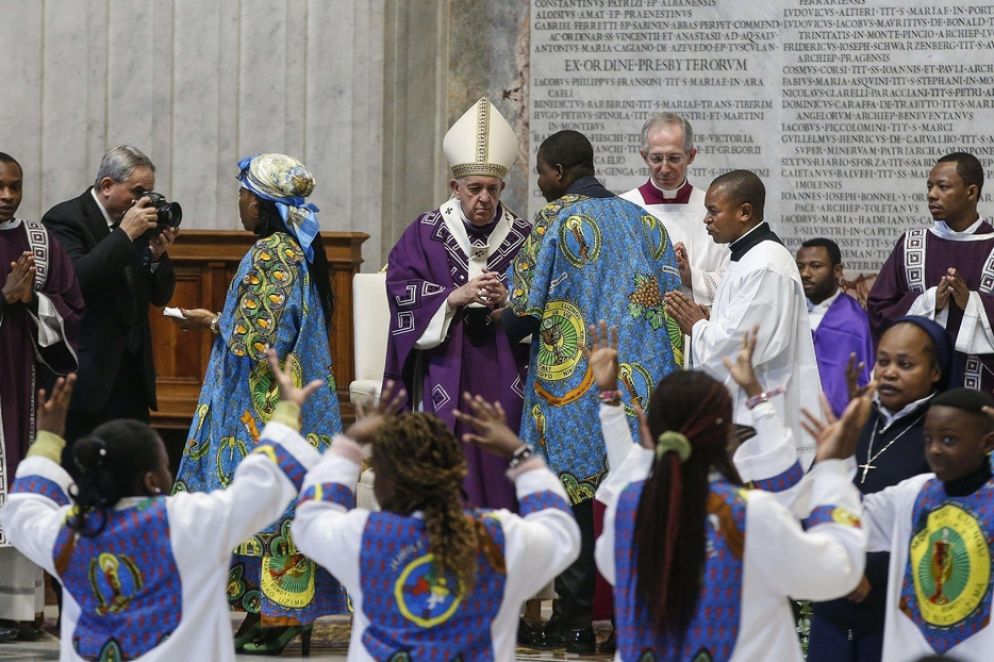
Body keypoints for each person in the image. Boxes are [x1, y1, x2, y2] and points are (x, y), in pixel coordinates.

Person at [0, 351, 324, 661]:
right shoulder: (188, 522)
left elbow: (24, 509)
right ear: (152, 479)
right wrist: (286, 414)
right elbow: (259, 490)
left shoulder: (70, 532)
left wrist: (47, 438)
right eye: (166, 466)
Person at [591, 323, 869, 661]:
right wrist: (834, 472)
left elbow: (613, 554)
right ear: (727, 436)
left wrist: (610, 401)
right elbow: (837, 572)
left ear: (651, 431)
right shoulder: (752, 514)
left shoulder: (629, 508)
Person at [504, 129, 683, 652]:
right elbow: (672, 309)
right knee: (636, 502)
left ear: (559, 171)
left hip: (575, 385)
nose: (539, 183)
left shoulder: (555, 221)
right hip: (645, 385)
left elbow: (521, 318)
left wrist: (489, 315)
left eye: (540, 172)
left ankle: (576, 623)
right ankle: (631, 623)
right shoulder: (646, 222)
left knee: (576, 501)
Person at [171, 153, 346, 653]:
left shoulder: (272, 252)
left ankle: (281, 614)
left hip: (262, 400)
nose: (241, 205)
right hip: (272, 392)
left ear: (263, 203)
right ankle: (270, 611)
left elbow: (257, 338)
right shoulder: (292, 250)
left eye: (245, 196)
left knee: (265, 493)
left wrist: (206, 321)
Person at [290, 389, 580, 661]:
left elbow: (309, 518)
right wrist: (520, 454)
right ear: (456, 475)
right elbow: (561, 531)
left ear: (385, 481)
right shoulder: (499, 537)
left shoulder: (364, 537)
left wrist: (350, 443)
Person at [384, 97, 531, 511]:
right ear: (455, 187)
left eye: (492, 188)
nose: (483, 198)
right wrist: (452, 297)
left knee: (500, 454)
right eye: (473, 189)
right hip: (444, 363)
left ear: (503, 187)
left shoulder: (525, 235)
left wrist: (512, 299)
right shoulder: (427, 231)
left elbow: (545, 301)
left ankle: (502, 540)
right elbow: (400, 288)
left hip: (505, 368)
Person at [809, 316, 952, 662]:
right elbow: (812, 500)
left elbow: (943, 531)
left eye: (905, 364)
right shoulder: (854, 420)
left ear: (935, 371)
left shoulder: (946, 438)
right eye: (883, 361)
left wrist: (870, 574)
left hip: (898, 612)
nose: (888, 372)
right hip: (832, 604)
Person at [815, 387, 994, 661]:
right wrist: (836, 462)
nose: (934, 449)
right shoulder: (912, 494)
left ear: (987, 442)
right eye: (928, 438)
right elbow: (843, 520)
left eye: (948, 439)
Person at [665, 169, 822, 468]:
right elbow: (741, 325)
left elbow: (742, 348)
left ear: (744, 212)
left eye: (713, 211)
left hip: (763, 416)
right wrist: (711, 319)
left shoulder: (765, 264)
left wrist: (696, 326)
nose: (706, 219)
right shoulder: (747, 256)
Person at [0, 152, 83, 642]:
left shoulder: (40, 242)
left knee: (18, 487)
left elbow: (74, 310)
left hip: (22, 386)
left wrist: (31, 300)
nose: (7, 195)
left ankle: (15, 610)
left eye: (15, 185)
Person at [42, 145, 177, 447]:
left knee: (128, 466)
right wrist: (124, 236)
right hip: (87, 374)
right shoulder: (65, 219)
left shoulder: (138, 221)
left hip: (131, 374)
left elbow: (161, 295)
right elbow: (75, 281)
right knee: (81, 468)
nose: (145, 200)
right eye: (138, 191)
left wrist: (157, 256)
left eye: (149, 192)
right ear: (107, 186)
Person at [868, 152, 994, 392]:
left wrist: (973, 303)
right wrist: (928, 301)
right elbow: (878, 309)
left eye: (942, 187)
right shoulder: (911, 244)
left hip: (981, 390)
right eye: (929, 186)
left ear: (971, 192)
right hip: (917, 390)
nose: (931, 195)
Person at [619, 113, 729, 307]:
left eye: (674, 158)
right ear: (644, 156)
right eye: (656, 158)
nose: (664, 168)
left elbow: (734, 280)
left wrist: (690, 276)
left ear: (691, 156)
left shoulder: (714, 209)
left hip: (699, 329)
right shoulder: (622, 208)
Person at [797, 237, 874, 417]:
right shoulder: (789, 310)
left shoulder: (855, 323)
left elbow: (864, 382)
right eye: (800, 266)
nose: (805, 273)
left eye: (815, 266)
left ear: (837, 271)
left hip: (835, 423)